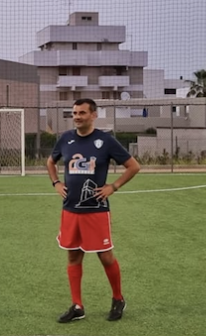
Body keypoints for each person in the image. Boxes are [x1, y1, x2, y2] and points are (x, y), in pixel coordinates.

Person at [47, 98, 140, 323]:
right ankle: (77, 306)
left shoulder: (105, 140)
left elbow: (133, 166)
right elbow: (50, 162)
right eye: (74, 113)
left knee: (105, 256)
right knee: (73, 255)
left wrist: (113, 187)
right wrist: (56, 183)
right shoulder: (66, 139)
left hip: (96, 210)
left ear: (93, 115)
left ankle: (118, 299)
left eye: (82, 113)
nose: (77, 117)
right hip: (70, 209)